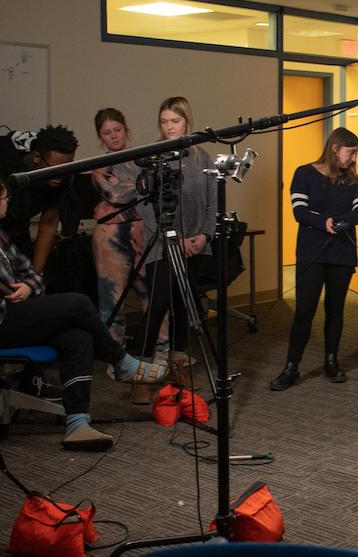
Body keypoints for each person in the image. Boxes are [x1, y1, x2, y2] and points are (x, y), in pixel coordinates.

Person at [0, 179, 164, 451]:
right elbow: (6, 285)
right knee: (77, 304)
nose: (8, 202)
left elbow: (32, 274)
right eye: (5, 197)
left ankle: (77, 422)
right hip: (4, 320)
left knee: (77, 336)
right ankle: (120, 360)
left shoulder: (2, 236)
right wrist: (22, 287)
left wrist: (29, 286)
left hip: (16, 313)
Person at [271, 128, 358, 390]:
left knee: (335, 311)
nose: (354, 158)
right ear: (335, 149)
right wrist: (323, 222)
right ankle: (291, 367)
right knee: (304, 311)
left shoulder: (353, 180)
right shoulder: (304, 174)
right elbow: (299, 211)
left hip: (343, 253)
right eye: (351, 152)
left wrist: (340, 223)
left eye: (356, 152)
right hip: (312, 252)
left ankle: (331, 361)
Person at [138, 96, 217, 399]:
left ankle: (178, 367)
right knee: (158, 307)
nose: (170, 127)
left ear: (187, 121)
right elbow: (147, 209)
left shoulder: (202, 158)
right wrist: (174, 239)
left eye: (175, 121)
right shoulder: (153, 157)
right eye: (164, 122)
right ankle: (142, 376)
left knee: (185, 306)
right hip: (163, 246)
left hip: (195, 246)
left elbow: (212, 203)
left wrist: (204, 236)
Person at [91, 108, 167, 349]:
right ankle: (117, 356)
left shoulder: (144, 159)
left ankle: (161, 351)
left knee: (154, 296)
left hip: (146, 235)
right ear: (100, 137)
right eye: (106, 133)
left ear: (126, 129)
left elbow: (158, 189)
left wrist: (143, 185)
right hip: (111, 240)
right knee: (112, 301)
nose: (113, 136)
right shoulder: (100, 166)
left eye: (117, 130)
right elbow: (115, 194)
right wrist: (145, 185)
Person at [0, 125, 78, 273]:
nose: (59, 177)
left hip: (19, 232)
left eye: (65, 170)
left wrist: (35, 275)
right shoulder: (6, 157)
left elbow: (49, 222)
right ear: (36, 158)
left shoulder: (65, 173)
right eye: (55, 169)